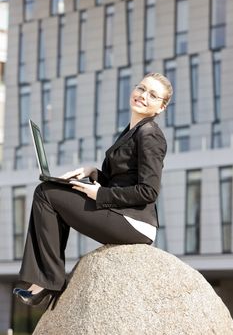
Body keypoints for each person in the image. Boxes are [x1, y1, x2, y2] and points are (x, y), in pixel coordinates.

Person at [13, 72, 173, 307]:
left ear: (161, 107)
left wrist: (100, 194)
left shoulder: (150, 134)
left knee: (46, 193)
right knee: (49, 190)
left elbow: (148, 191)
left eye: (153, 95)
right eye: (141, 89)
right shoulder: (132, 130)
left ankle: (47, 281)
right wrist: (92, 172)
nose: (143, 96)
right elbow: (123, 179)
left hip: (135, 223)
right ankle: (48, 279)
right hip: (123, 215)